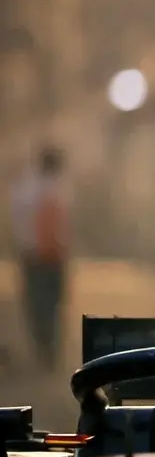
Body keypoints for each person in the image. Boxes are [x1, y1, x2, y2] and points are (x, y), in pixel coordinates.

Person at [8, 146, 69, 370]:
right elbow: (55, 226)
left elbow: (17, 224)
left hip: (30, 255)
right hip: (50, 256)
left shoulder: (23, 188)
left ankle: (42, 349)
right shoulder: (54, 189)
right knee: (51, 303)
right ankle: (47, 352)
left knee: (35, 304)